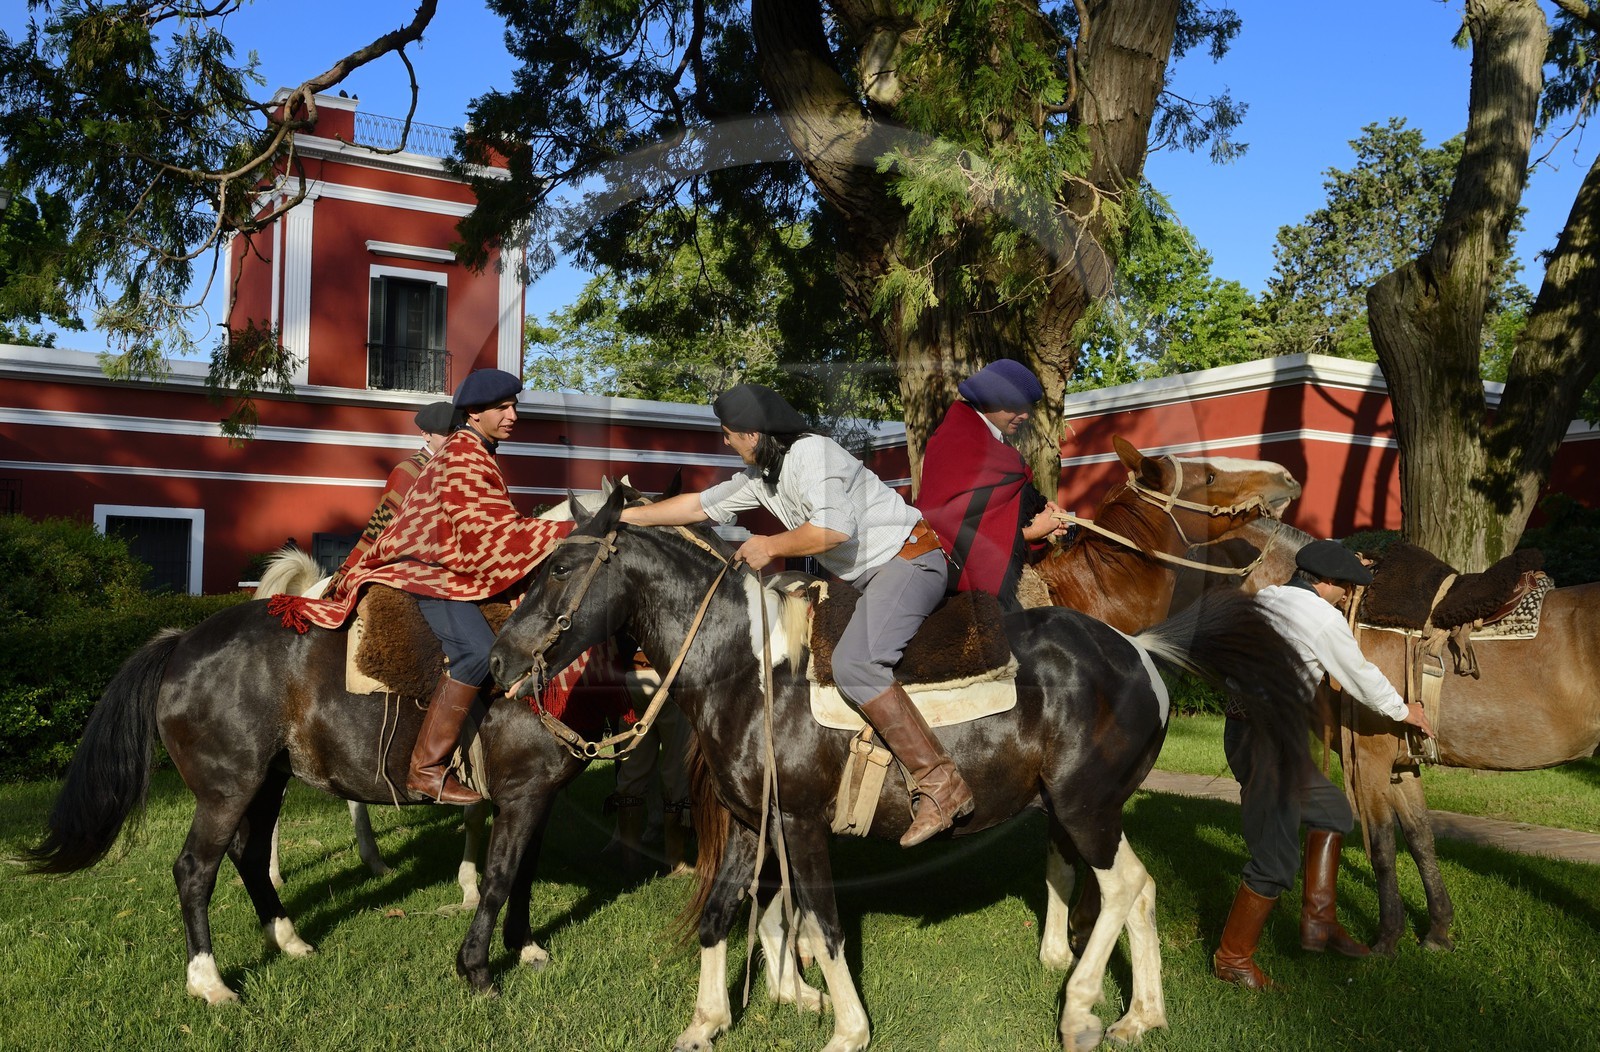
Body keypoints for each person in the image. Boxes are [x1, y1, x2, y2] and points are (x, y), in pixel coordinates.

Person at [617, 382, 970, 847]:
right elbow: (696, 506)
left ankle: (942, 784)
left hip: (910, 561)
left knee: (855, 664)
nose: (726, 442)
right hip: (870, 578)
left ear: (754, 433)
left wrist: (770, 545)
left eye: (729, 433)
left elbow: (833, 530)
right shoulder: (763, 477)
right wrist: (624, 519)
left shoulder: (813, 455)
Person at [265, 368, 573, 806]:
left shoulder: (479, 456)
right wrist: (350, 570)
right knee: (474, 651)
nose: (513, 415)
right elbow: (383, 527)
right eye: (503, 407)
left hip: (447, 566)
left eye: (514, 406)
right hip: (422, 570)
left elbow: (482, 528)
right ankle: (425, 767)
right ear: (430, 434)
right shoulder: (422, 467)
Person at [1213, 538, 1435, 989]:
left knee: (1331, 810)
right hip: (1266, 742)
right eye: (1347, 587)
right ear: (1327, 583)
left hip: (1246, 731)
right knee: (1275, 861)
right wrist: (1405, 711)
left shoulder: (1270, 597)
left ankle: (1319, 920)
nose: (1349, 596)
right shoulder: (1322, 620)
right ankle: (1232, 959)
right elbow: (1362, 677)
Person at [917, 360, 1069, 611]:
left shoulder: (988, 439)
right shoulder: (959, 440)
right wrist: (1030, 534)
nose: (1025, 416)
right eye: (1017, 407)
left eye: (1028, 408)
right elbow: (948, 526)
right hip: (951, 583)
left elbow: (999, 509)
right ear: (991, 400)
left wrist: (1043, 520)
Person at [325, 400, 457, 595]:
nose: (453, 439)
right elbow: (384, 525)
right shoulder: (408, 472)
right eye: (446, 434)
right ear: (425, 434)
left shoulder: (458, 470)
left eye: (456, 433)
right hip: (408, 564)